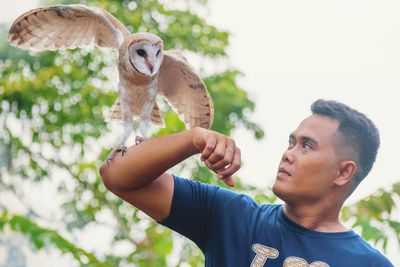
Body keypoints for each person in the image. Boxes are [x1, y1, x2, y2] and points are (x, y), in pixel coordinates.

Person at [99, 99, 394, 266]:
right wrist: (195, 138)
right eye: (291, 142)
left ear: (343, 172)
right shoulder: (232, 217)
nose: (288, 154)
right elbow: (117, 176)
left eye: (306, 146)